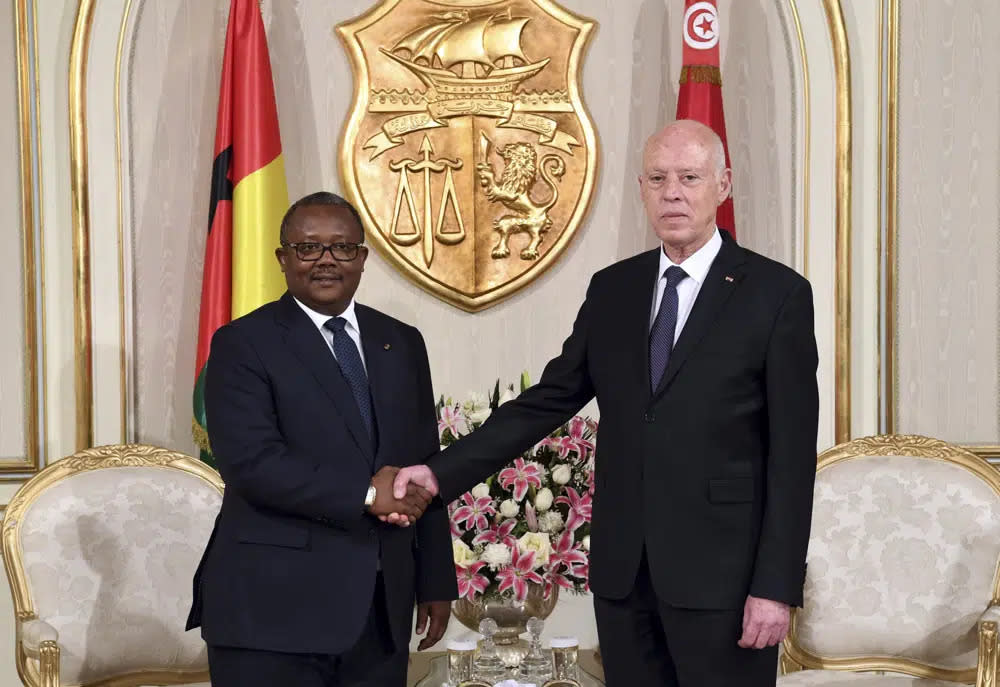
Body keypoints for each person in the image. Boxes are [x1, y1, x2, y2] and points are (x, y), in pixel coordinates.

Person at [391, 120, 819, 686]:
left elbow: (792, 456)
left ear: (723, 185)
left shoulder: (776, 293)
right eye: (659, 178)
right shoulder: (613, 288)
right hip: (624, 575)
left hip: (726, 579)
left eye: (690, 177)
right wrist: (438, 473)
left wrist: (775, 586)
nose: (673, 192)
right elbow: (548, 401)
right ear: (641, 188)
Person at [186, 192, 457, 686]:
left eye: (343, 248)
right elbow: (253, 464)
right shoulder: (242, 343)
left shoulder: (401, 341)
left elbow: (422, 463)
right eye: (309, 248)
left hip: (380, 610)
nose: (327, 260)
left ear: (363, 258)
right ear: (282, 259)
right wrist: (369, 495)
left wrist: (436, 579)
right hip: (272, 612)